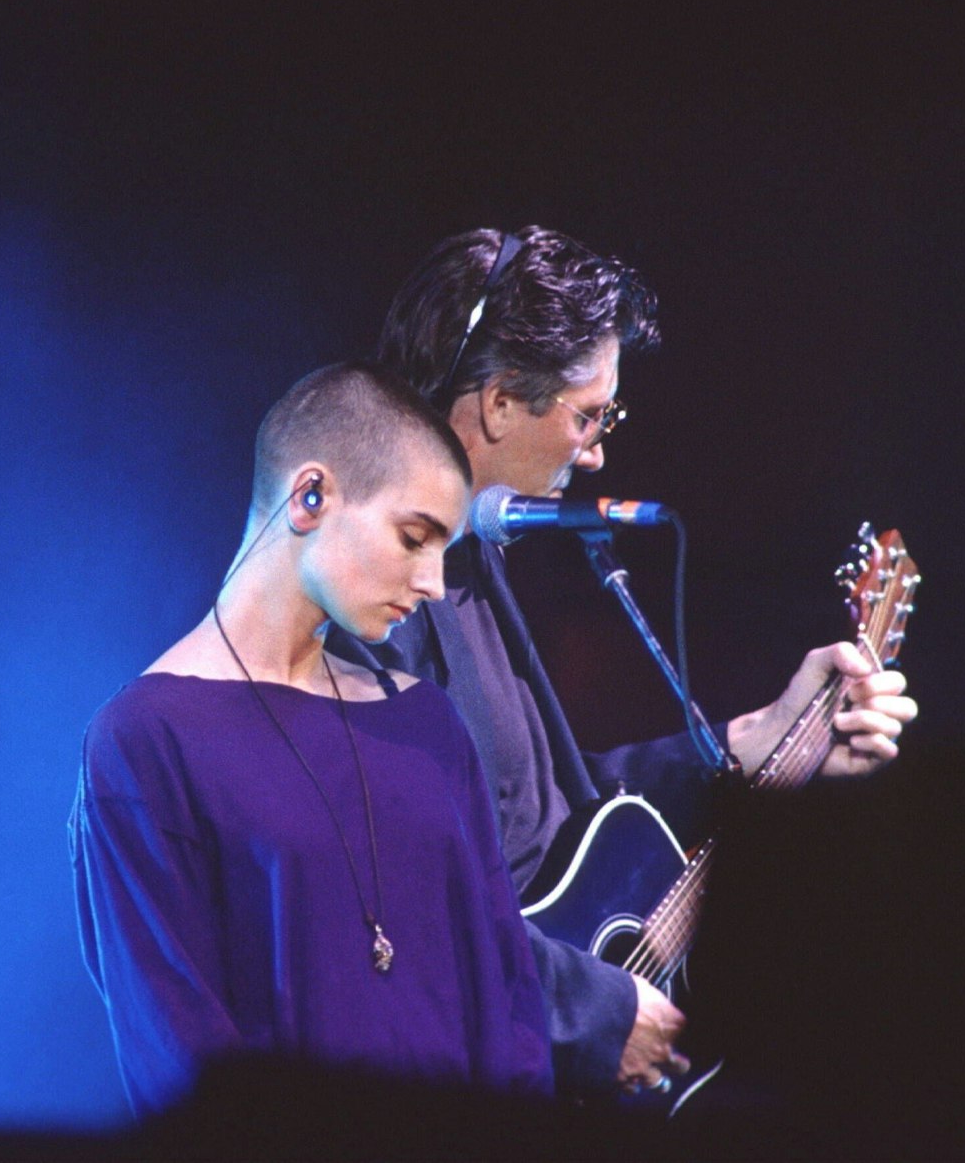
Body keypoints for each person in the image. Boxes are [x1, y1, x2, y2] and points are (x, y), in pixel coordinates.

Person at [326, 227, 920, 1097]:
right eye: (588, 415)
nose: (599, 449)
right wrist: (597, 1013)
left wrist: (753, 739)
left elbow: (549, 827)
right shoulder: (380, 603)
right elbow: (397, 908)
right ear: (496, 404)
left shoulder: (474, 561)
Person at [70, 362, 552, 1121]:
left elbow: (509, 989)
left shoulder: (426, 723)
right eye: (414, 537)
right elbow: (175, 1041)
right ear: (311, 496)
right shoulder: (147, 738)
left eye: (444, 550)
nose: (432, 583)